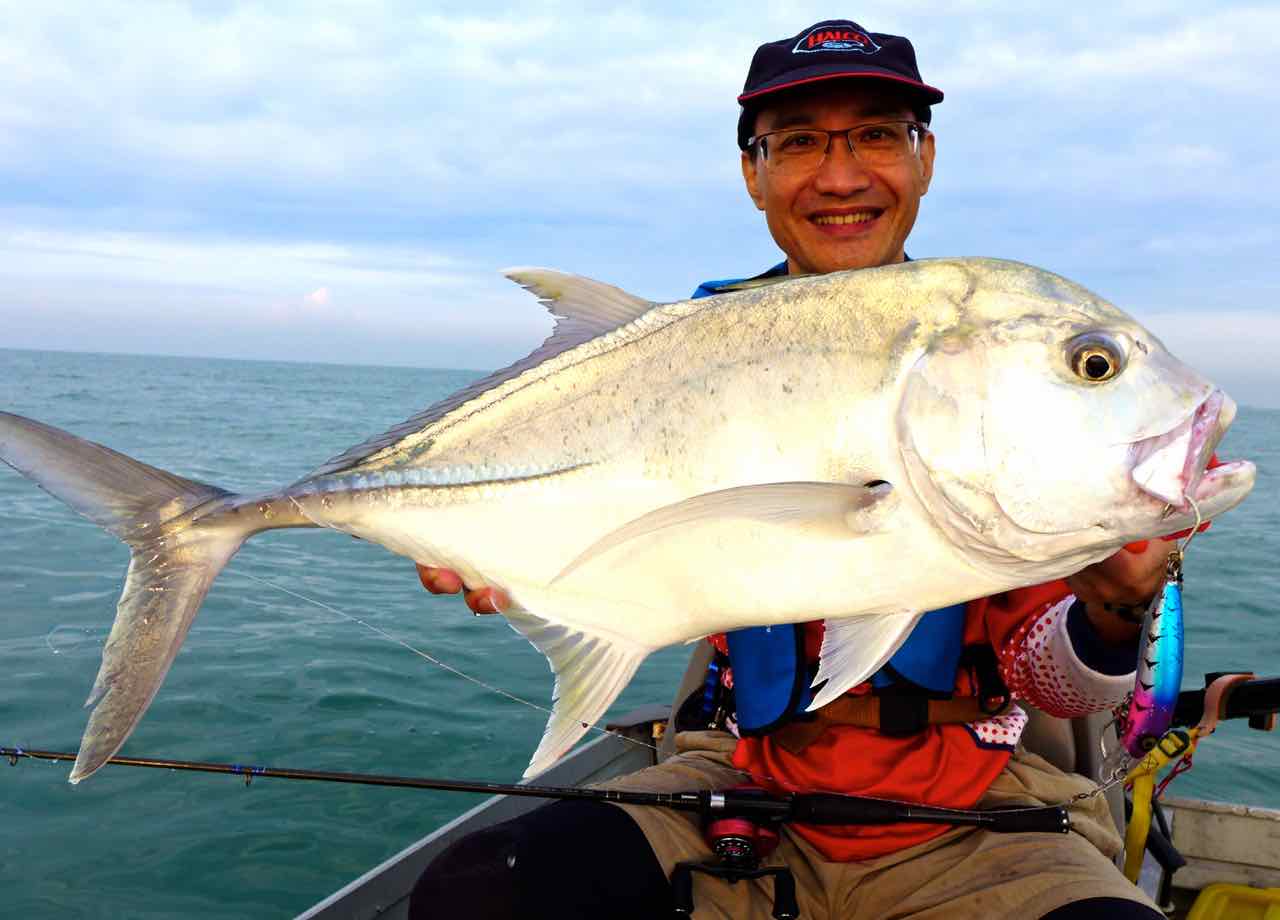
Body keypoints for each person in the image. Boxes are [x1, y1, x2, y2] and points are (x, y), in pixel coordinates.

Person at [409, 19, 1179, 920]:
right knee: (479, 896)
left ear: (925, 158)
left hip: (975, 815)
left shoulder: (986, 361)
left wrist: (1116, 602)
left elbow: (1059, 687)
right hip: (735, 783)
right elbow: (611, 504)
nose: (842, 174)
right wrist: (516, 558)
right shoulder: (676, 353)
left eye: (878, 135)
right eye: (801, 141)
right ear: (753, 173)